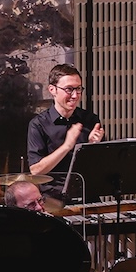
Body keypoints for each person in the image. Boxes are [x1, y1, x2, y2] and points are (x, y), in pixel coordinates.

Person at [25, 65, 103, 196]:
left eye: (78, 89)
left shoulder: (90, 119)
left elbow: (100, 167)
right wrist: (67, 146)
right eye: (69, 89)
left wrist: (92, 147)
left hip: (87, 194)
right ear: (52, 90)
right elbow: (36, 170)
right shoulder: (38, 124)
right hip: (53, 198)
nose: (75, 95)